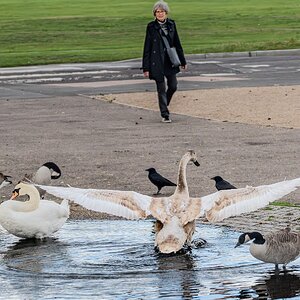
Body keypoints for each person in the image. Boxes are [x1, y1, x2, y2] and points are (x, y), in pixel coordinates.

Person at [142, 0, 187, 123]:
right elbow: (147, 47)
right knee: (161, 88)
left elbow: (177, 43)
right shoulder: (151, 27)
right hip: (157, 62)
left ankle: (164, 104)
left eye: (162, 11)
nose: (160, 14)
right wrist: (145, 68)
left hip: (170, 61)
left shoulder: (172, 24)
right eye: (157, 12)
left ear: (166, 13)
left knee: (173, 86)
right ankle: (165, 114)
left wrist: (183, 61)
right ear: (154, 13)